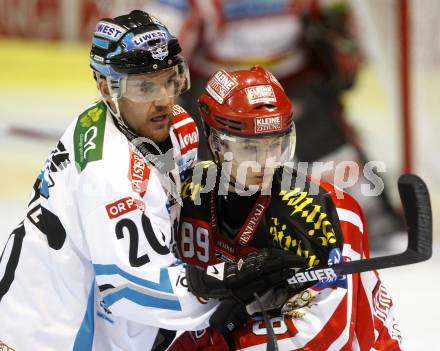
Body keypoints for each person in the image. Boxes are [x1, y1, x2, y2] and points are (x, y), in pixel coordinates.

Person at [0, 10, 299, 351]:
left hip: (83, 318)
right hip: (47, 337)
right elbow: (132, 291)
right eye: (144, 87)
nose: (163, 100)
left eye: (169, 80)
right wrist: (229, 280)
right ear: (106, 87)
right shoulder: (108, 174)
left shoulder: (171, 129)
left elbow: (184, 211)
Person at [169, 66, 403, 350]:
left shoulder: (320, 211)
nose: (266, 161)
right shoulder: (190, 194)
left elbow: (327, 334)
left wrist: (222, 337)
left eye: (275, 145)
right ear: (214, 142)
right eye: (248, 148)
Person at [144, 0, 405, 250]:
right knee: (204, 164)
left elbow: (334, 17)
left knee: (333, 153)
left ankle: (369, 220)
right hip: (222, 84)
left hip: (292, 76)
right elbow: (166, 42)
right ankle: (196, 227)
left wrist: (338, 38)